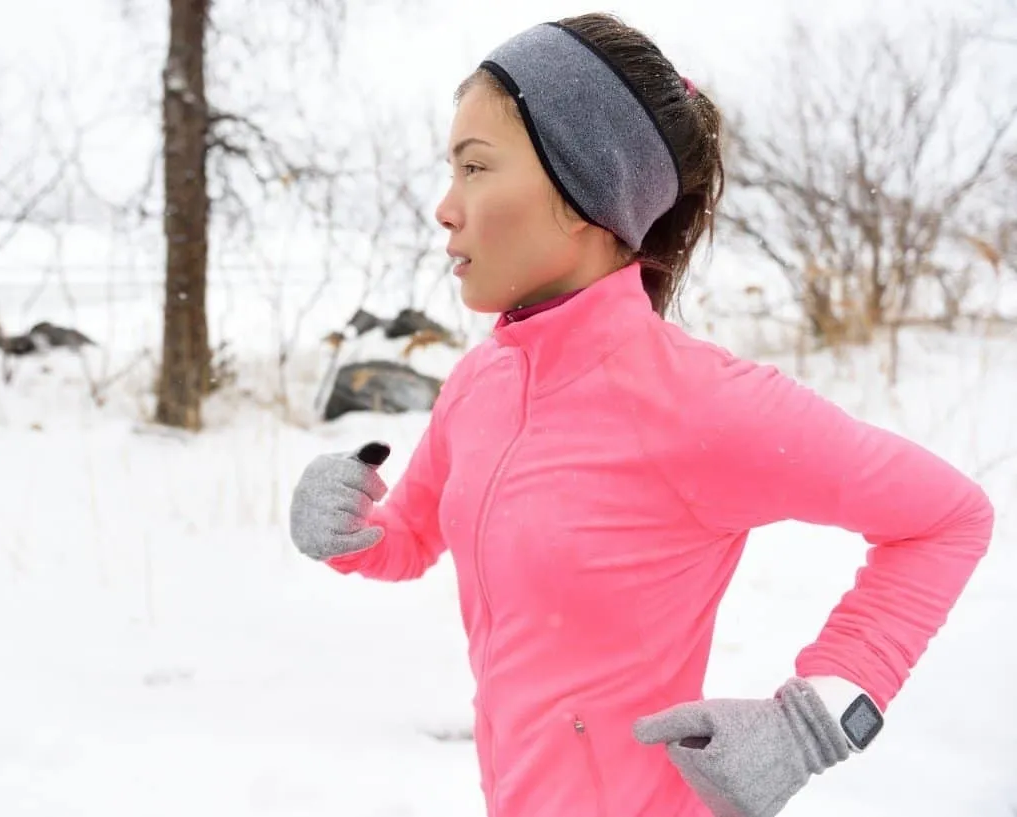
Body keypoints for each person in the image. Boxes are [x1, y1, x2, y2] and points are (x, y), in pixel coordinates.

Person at [288, 13, 994, 817]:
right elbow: (412, 534)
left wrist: (810, 724)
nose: (445, 208)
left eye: (476, 167)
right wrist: (349, 525)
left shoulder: (700, 403)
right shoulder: (482, 378)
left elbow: (947, 518)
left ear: (586, 191)